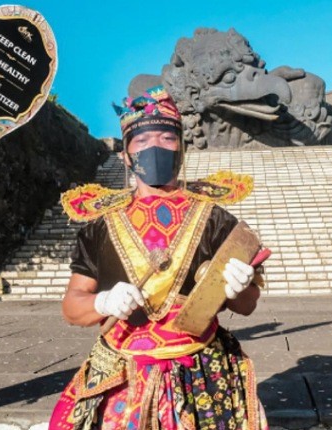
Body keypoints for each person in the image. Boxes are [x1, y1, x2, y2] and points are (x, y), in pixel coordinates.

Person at [49, 85, 269, 429]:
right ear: (126, 155)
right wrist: (104, 302)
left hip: (200, 367)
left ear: (181, 147)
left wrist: (238, 287)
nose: (155, 146)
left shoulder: (215, 218)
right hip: (123, 369)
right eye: (142, 140)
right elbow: (72, 307)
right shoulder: (100, 226)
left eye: (167, 138)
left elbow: (247, 305)